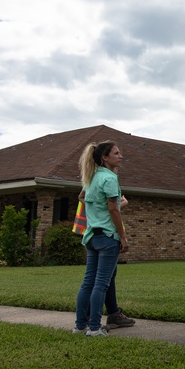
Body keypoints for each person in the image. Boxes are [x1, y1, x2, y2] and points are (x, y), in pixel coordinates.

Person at [74, 140, 130, 337]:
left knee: (88, 282)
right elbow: (113, 210)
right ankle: (95, 328)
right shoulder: (109, 179)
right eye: (116, 153)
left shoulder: (91, 177)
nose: (120, 155)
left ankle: (80, 325)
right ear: (105, 158)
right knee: (101, 283)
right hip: (107, 238)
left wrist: (98, 210)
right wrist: (122, 237)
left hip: (91, 237)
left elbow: (82, 197)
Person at [104, 196, 135, 329]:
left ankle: (86, 320)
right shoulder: (107, 180)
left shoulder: (89, 181)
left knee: (103, 277)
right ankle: (91, 320)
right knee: (103, 279)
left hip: (93, 233)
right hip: (106, 233)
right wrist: (124, 202)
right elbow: (111, 208)